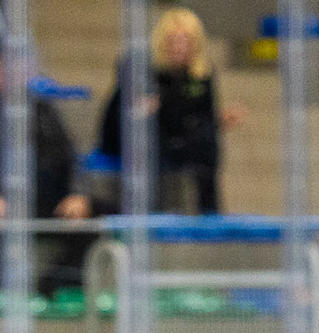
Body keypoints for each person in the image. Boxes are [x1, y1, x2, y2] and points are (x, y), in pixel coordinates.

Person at [0, 41, 92, 293]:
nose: (5, 71)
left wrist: (77, 193)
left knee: (96, 215)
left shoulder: (42, 110)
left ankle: (54, 288)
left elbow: (69, 157)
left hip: (40, 199)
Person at [97, 6, 243, 214]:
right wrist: (142, 109)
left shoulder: (200, 75)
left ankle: (208, 209)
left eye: (187, 41)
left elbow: (200, 115)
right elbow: (119, 116)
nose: (180, 47)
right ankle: (149, 208)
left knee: (204, 138)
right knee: (151, 135)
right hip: (135, 138)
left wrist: (217, 119)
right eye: (174, 40)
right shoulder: (141, 68)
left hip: (178, 142)